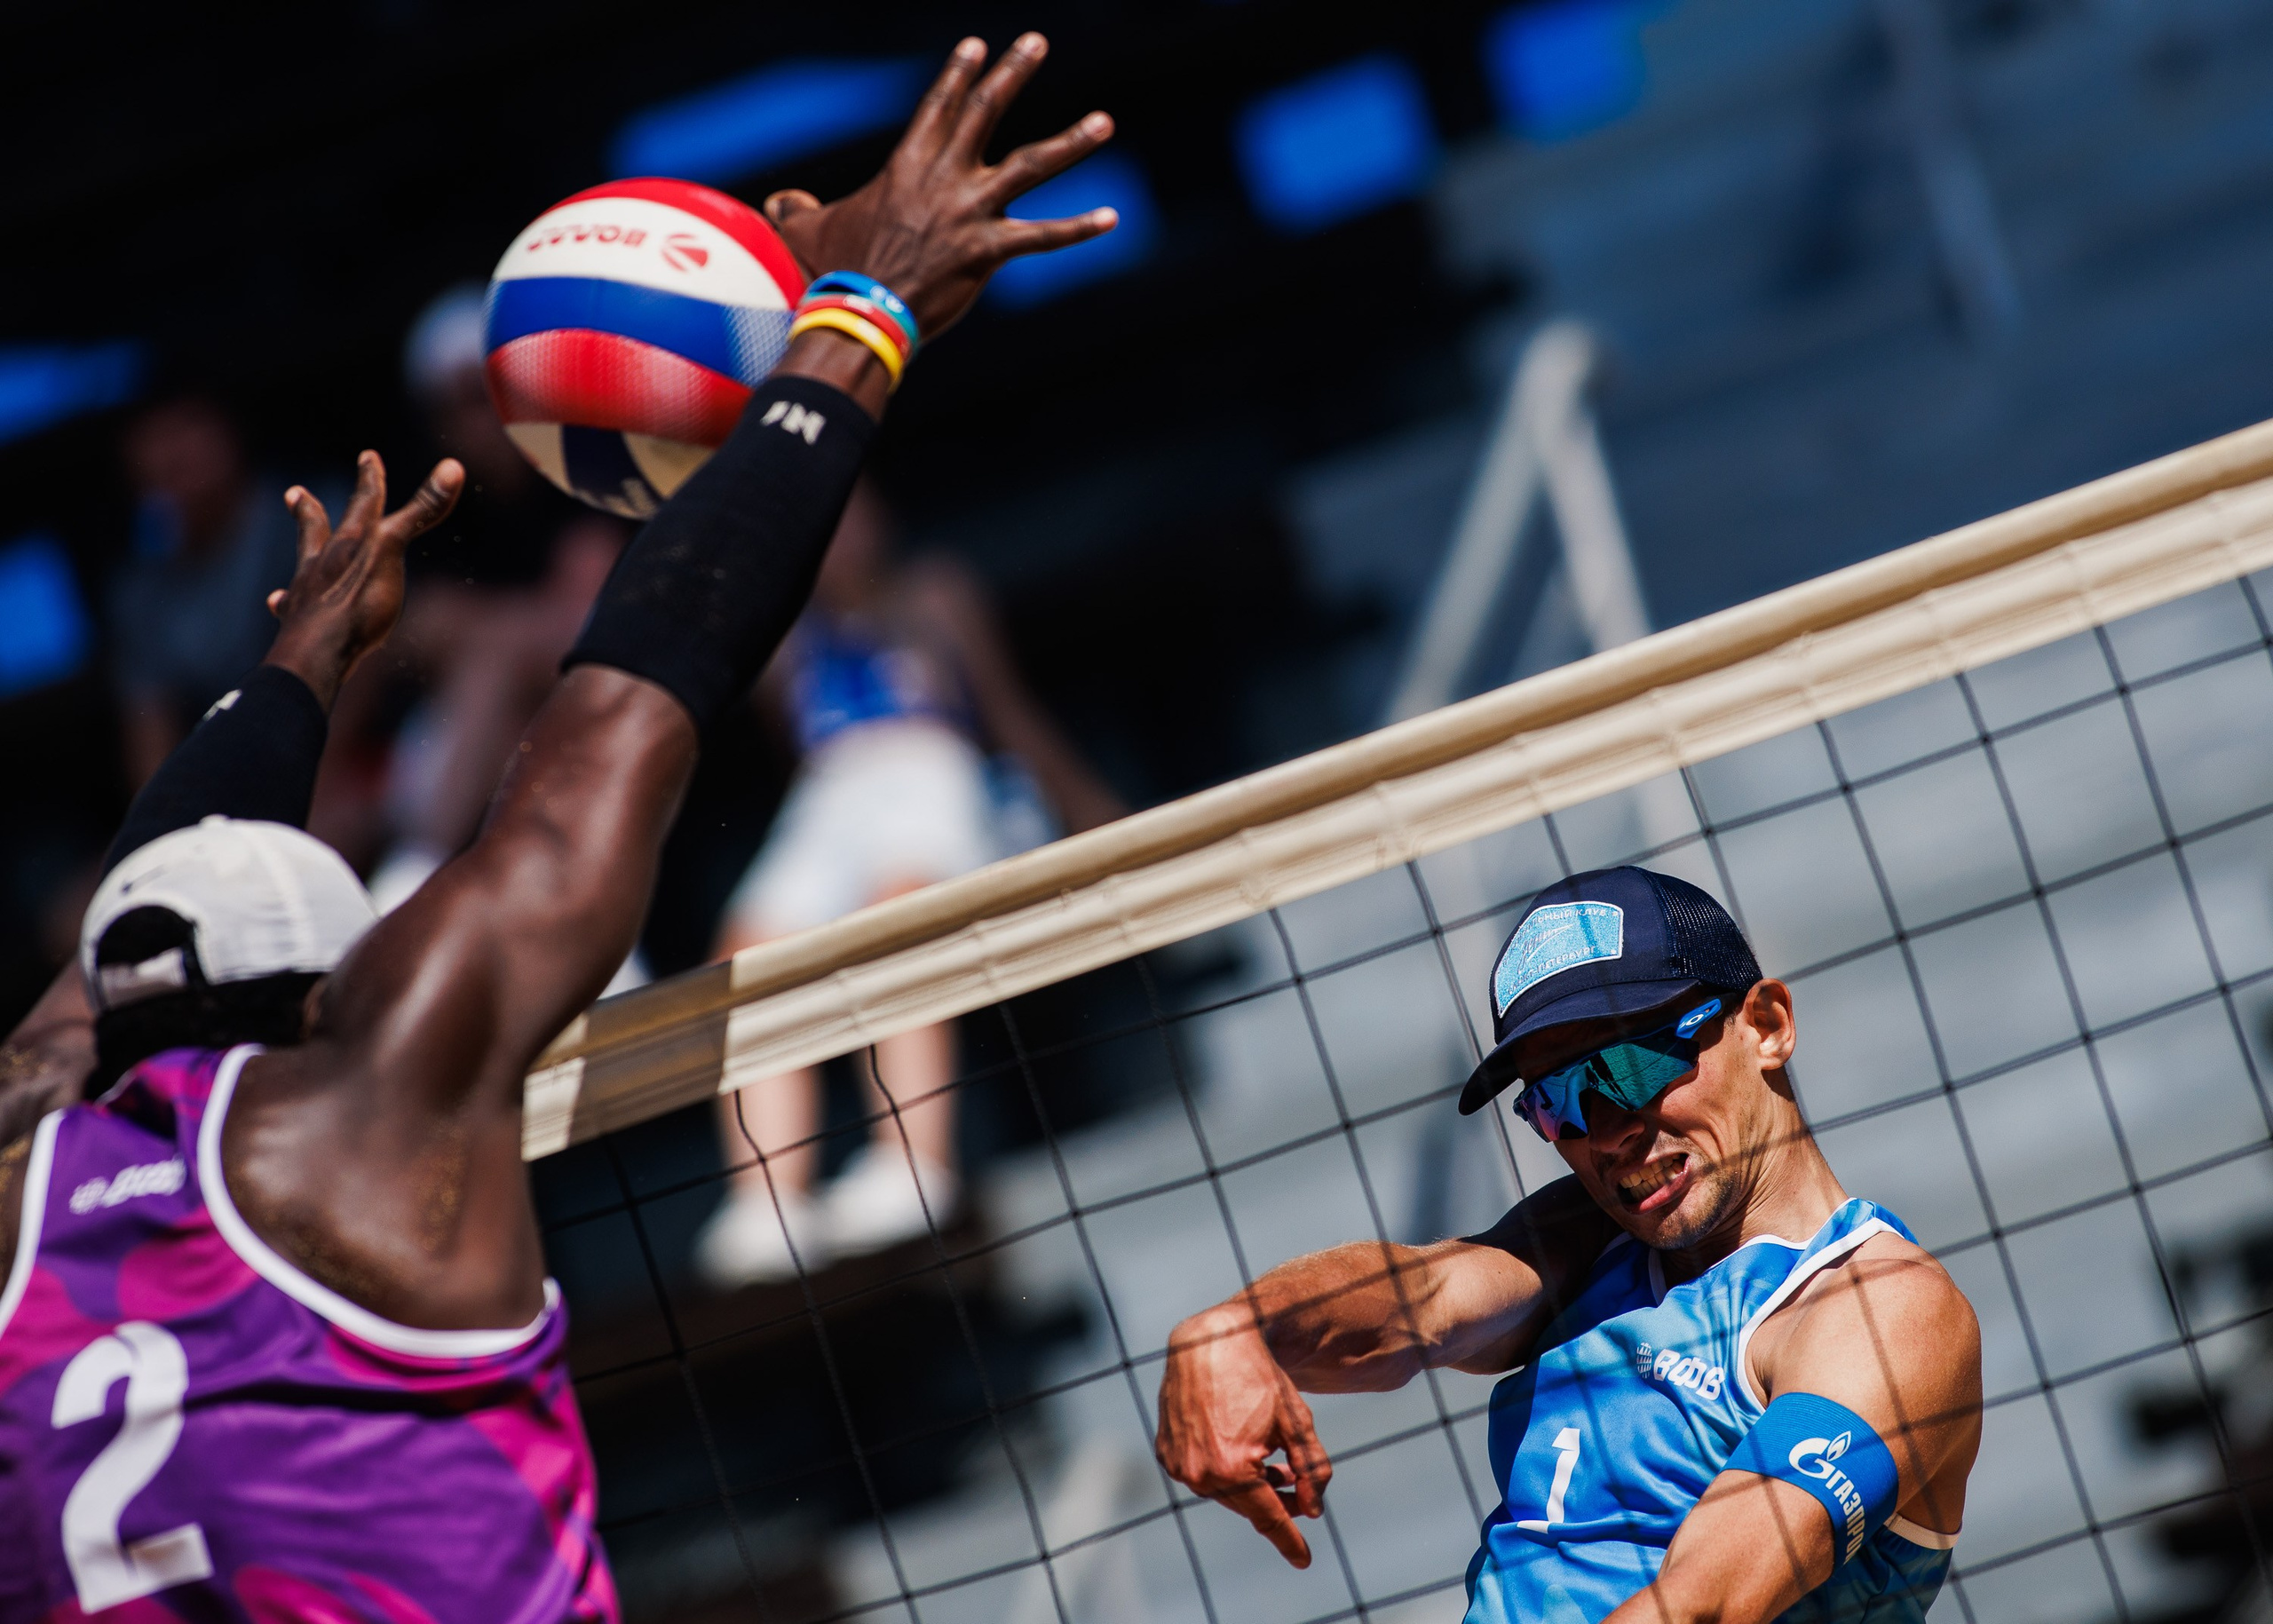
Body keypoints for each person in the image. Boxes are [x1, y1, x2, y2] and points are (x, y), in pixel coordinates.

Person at [0, 36, 1117, 1621]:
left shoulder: (22, 1179)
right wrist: (861, 320)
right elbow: (612, 721)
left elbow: (71, 1007)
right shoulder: (364, 1118)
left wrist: (292, 666)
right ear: (340, 991)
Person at [1155, 866, 1983, 1624]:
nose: (1608, 1133)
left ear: (1765, 1024)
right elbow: (1416, 1299)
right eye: (1557, 1101)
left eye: (1628, 1065)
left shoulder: (1884, 1307)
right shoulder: (1589, 1238)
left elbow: (1704, 1608)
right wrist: (1241, 1329)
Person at [697, 481, 1125, 1287]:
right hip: (834, 795)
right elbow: (800, 749)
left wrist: (1098, 818)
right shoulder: (786, 636)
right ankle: (769, 1200)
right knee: (745, 950)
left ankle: (912, 1162)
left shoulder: (935, 590)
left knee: (892, 919)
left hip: (936, 774)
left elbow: (1008, 714)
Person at [107, 396, 307, 788]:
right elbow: (150, 732)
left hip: (331, 750)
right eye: (155, 436)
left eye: (189, 424)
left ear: (227, 430)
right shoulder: (140, 594)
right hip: (235, 778)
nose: (176, 450)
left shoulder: (301, 516)